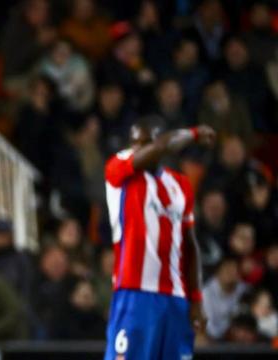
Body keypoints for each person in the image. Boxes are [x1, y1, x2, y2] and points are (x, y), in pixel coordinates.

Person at [103, 118, 215, 360]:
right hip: (135, 294)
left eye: (146, 143)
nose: (138, 149)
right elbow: (160, 147)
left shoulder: (181, 184)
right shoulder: (119, 170)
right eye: (135, 143)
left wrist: (195, 299)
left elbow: (189, 243)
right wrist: (194, 133)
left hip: (175, 299)